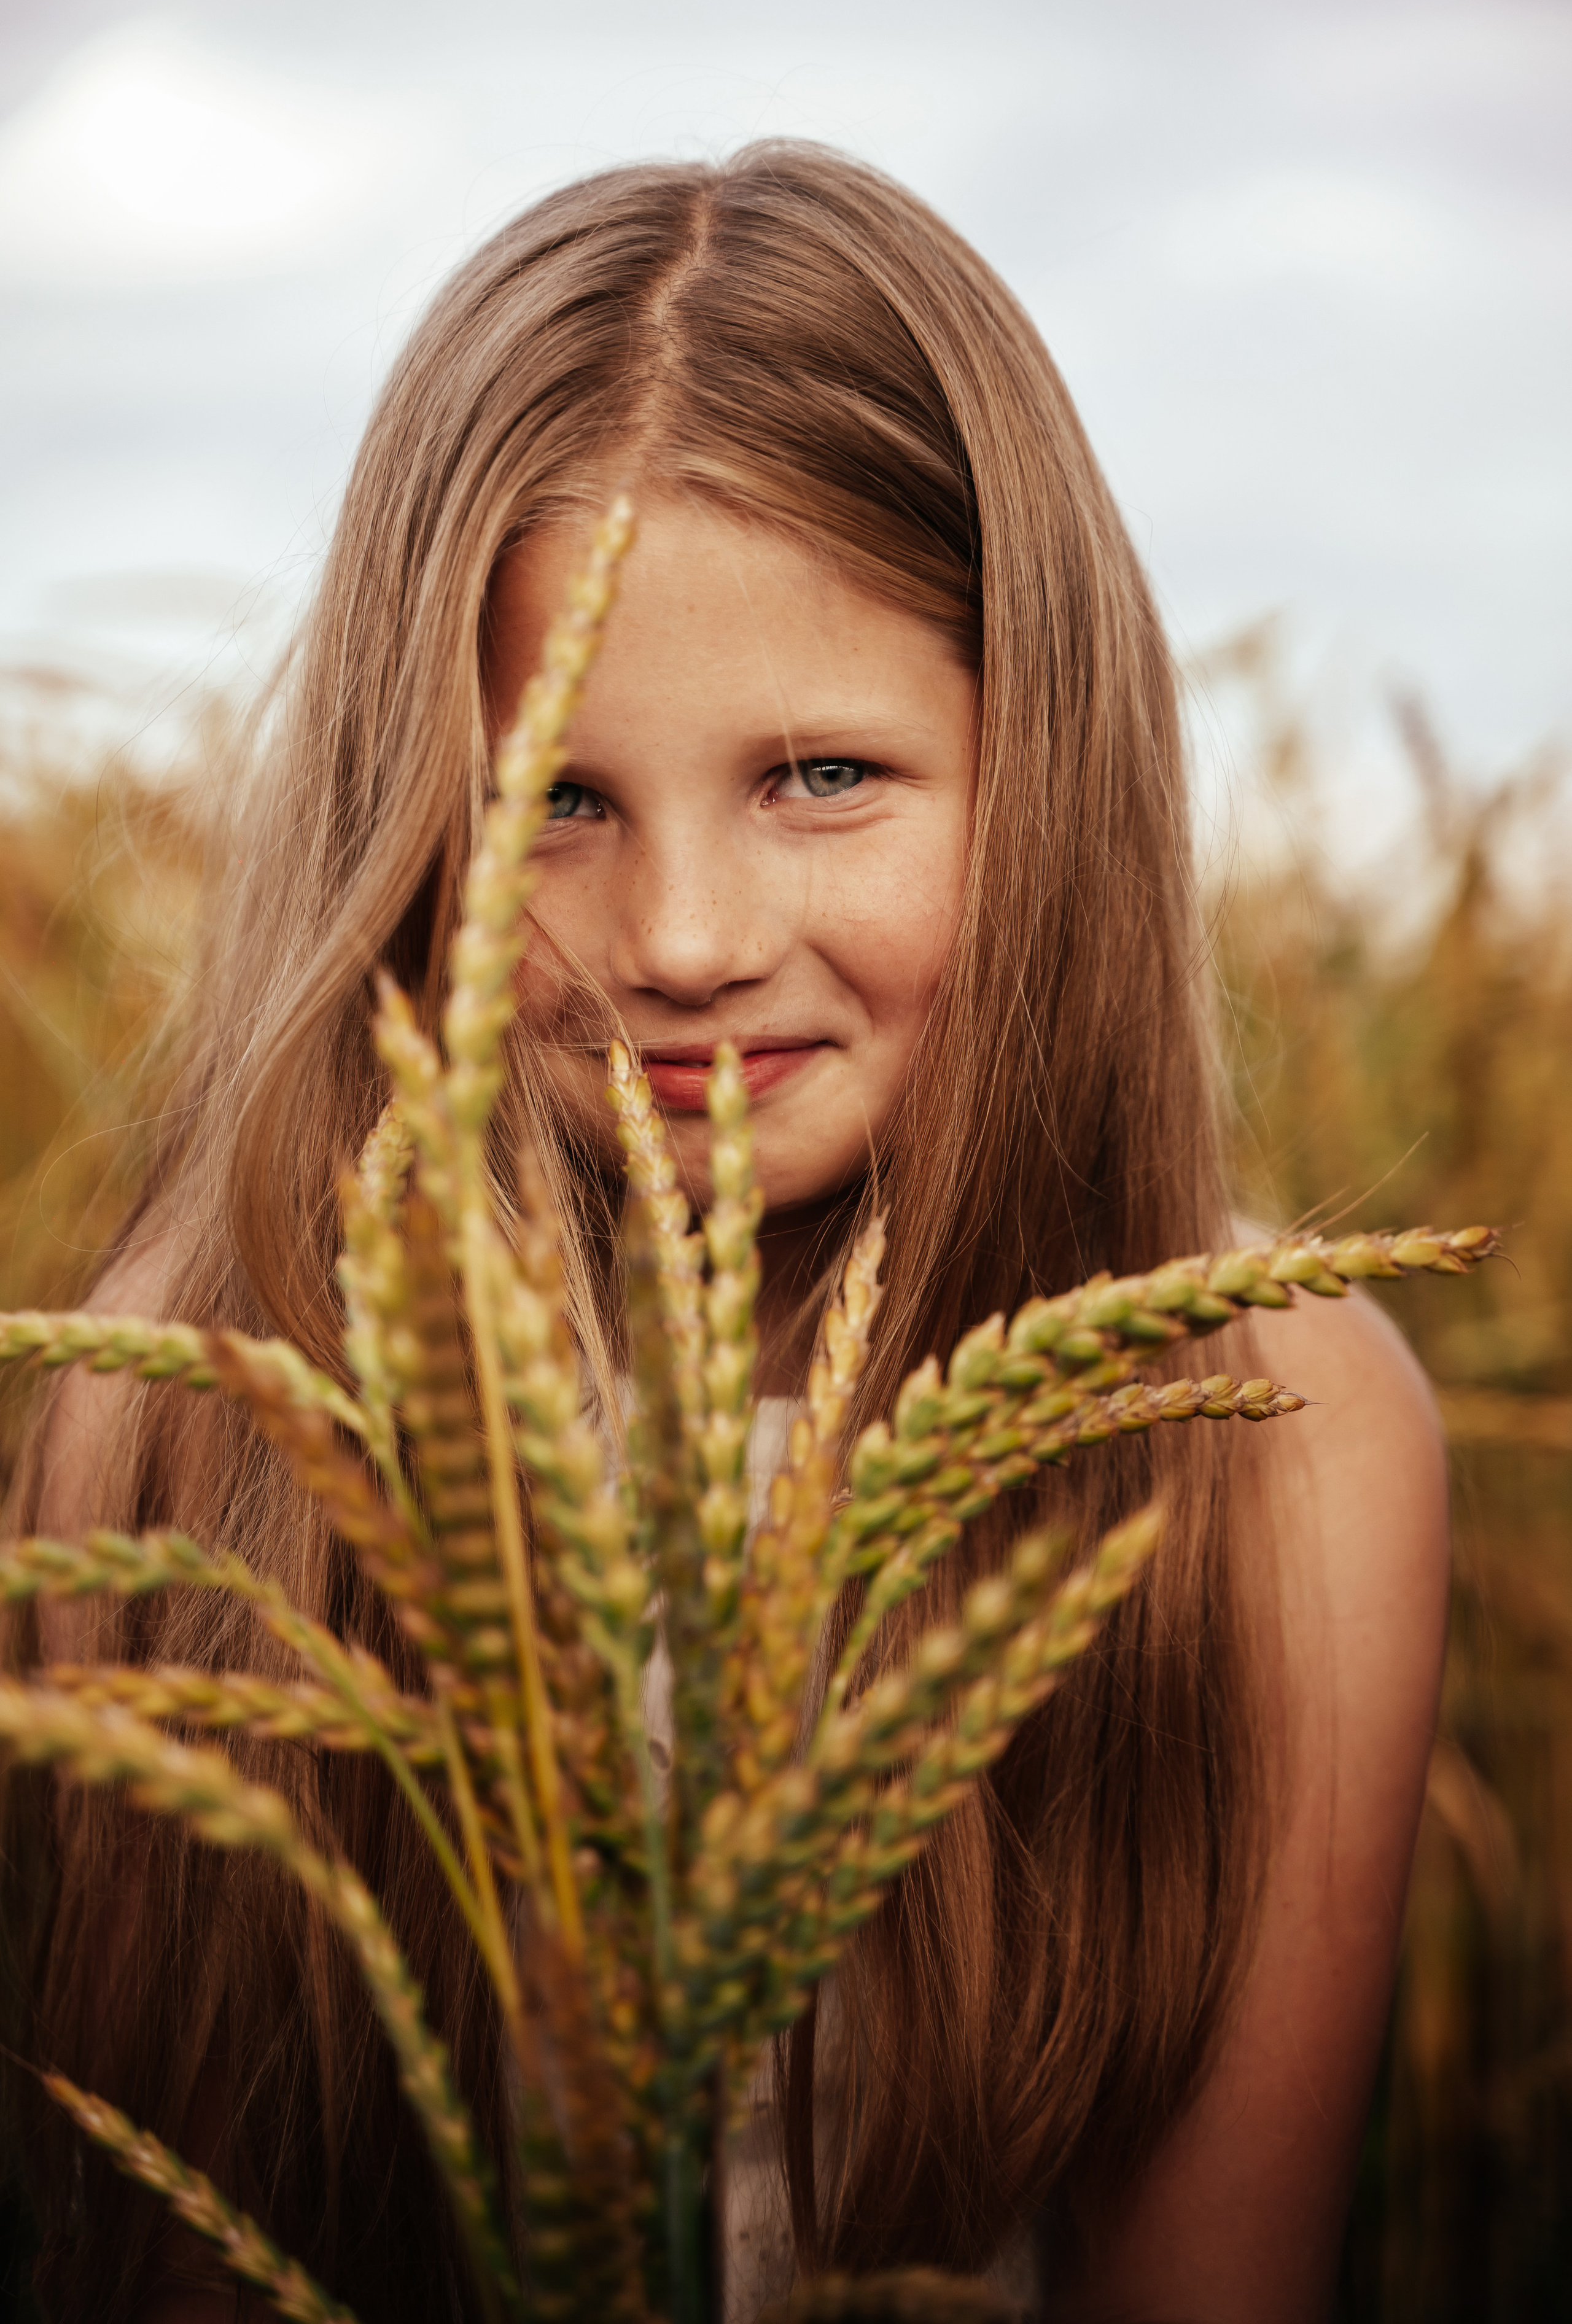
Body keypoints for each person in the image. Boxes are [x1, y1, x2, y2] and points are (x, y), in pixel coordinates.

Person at [2, 143, 1449, 2323]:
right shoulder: (202, 1434)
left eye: (823, 779)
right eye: (555, 805)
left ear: (1044, 766)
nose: (681, 941)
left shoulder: (1268, 1430)